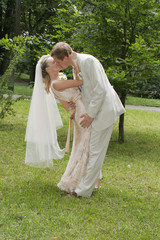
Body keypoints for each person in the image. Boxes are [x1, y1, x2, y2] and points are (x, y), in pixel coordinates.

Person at [51, 42, 126, 197]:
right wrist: (75, 106)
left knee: (94, 151)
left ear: (65, 56)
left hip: (104, 111)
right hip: (95, 111)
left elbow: (100, 89)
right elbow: (85, 90)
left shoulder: (88, 61)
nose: (57, 65)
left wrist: (90, 115)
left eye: (58, 62)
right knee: (92, 149)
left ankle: (82, 191)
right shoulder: (75, 66)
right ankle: (83, 185)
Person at [25, 54, 99, 193]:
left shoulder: (57, 81)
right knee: (84, 146)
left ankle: (84, 179)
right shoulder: (57, 83)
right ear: (47, 69)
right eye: (52, 62)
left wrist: (73, 103)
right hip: (82, 112)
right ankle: (77, 181)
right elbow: (80, 82)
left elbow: (67, 107)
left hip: (79, 110)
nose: (56, 62)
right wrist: (73, 62)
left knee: (83, 145)